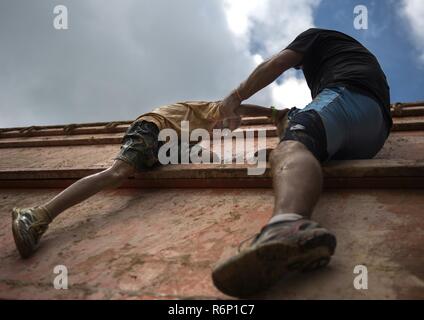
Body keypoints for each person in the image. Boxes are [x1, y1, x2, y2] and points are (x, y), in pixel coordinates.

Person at [212, 28, 392, 297]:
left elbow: (278, 63)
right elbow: (281, 114)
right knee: (299, 138)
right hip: (373, 132)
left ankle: (288, 224)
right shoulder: (345, 56)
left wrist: (235, 96)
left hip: (346, 97)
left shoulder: (314, 37)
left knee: (293, 145)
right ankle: (292, 155)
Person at [11, 100, 284, 259]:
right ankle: (36, 216)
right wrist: (273, 114)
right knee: (116, 174)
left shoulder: (196, 133)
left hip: (164, 146)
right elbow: (238, 101)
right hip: (151, 129)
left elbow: (193, 153)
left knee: (207, 156)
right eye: (231, 123)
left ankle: (253, 160)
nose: (229, 128)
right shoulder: (211, 110)